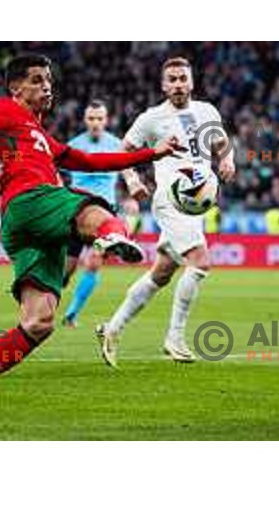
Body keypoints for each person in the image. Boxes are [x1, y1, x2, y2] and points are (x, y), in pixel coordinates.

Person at [0, 54, 181, 430]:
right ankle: (111, 237)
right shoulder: (6, 110)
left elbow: (89, 161)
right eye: (38, 80)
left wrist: (149, 154)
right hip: (30, 202)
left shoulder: (38, 133)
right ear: (16, 88)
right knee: (98, 209)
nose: (47, 87)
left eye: (49, 81)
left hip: (25, 229)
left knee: (39, 322)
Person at [96, 57, 236, 366]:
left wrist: (228, 160)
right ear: (163, 85)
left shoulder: (206, 111)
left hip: (196, 204)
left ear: (191, 82)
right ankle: (175, 338)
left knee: (161, 273)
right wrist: (132, 180)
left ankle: (111, 328)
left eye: (182, 78)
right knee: (200, 262)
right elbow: (124, 150)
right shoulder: (152, 118)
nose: (177, 84)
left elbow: (223, 144)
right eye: (171, 79)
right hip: (170, 201)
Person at [61, 99, 123, 327]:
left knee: (94, 262)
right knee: (65, 273)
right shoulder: (73, 146)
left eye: (99, 118)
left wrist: (134, 194)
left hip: (105, 217)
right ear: (85, 120)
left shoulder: (118, 145)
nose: (95, 123)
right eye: (91, 118)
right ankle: (43, 308)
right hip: (78, 214)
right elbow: (53, 172)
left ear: (106, 120)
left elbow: (128, 172)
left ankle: (71, 314)